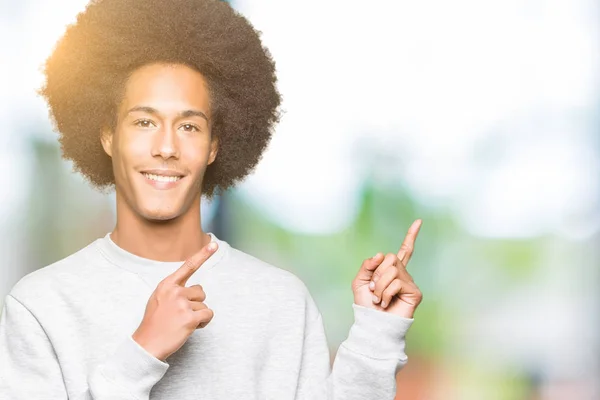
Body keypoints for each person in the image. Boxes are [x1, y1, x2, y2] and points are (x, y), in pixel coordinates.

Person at [0, 0, 424, 399]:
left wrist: (377, 334)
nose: (166, 147)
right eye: (145, 122)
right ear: (108, 135)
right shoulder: (40, 305)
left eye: (189, 127)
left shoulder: (282, 301)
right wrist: (141, 353)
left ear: (214, 146)